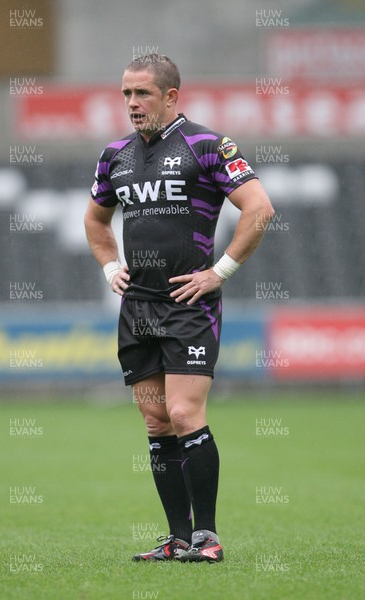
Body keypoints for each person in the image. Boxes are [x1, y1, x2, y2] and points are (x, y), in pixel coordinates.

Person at [84, 54, 274, 563]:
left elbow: (259, 209)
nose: (131, 103)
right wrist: (109, 267)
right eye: (126, 93)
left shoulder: (209, 145)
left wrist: (219, 272)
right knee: (155, 421)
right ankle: (177, 538)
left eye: (142, 93)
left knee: (186, 411)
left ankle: (207, 538)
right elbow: (96, 222)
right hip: (137, 307)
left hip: (190, 305)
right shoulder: (115, 155)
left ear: (171, 96)